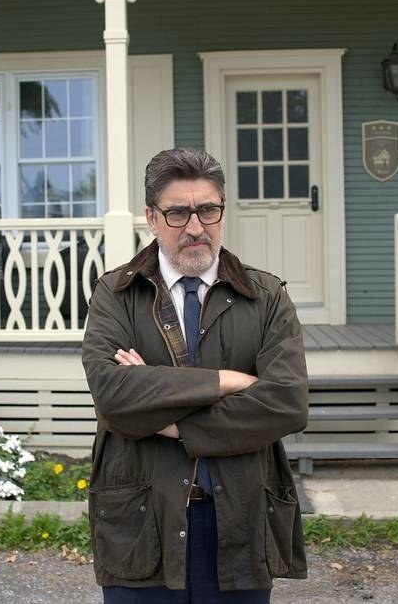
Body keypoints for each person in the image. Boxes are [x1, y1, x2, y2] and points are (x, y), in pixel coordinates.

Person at [81, 147, 309, 603]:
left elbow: (285, 403)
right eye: (178, 213)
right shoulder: (116, 293)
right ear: (151, 217)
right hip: (143, 519)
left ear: (222, 210)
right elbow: (112, 395)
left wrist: (167, 420)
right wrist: (227, 381)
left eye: (207, 209)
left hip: (240, 521)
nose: (195, 227)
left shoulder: (265, 296)